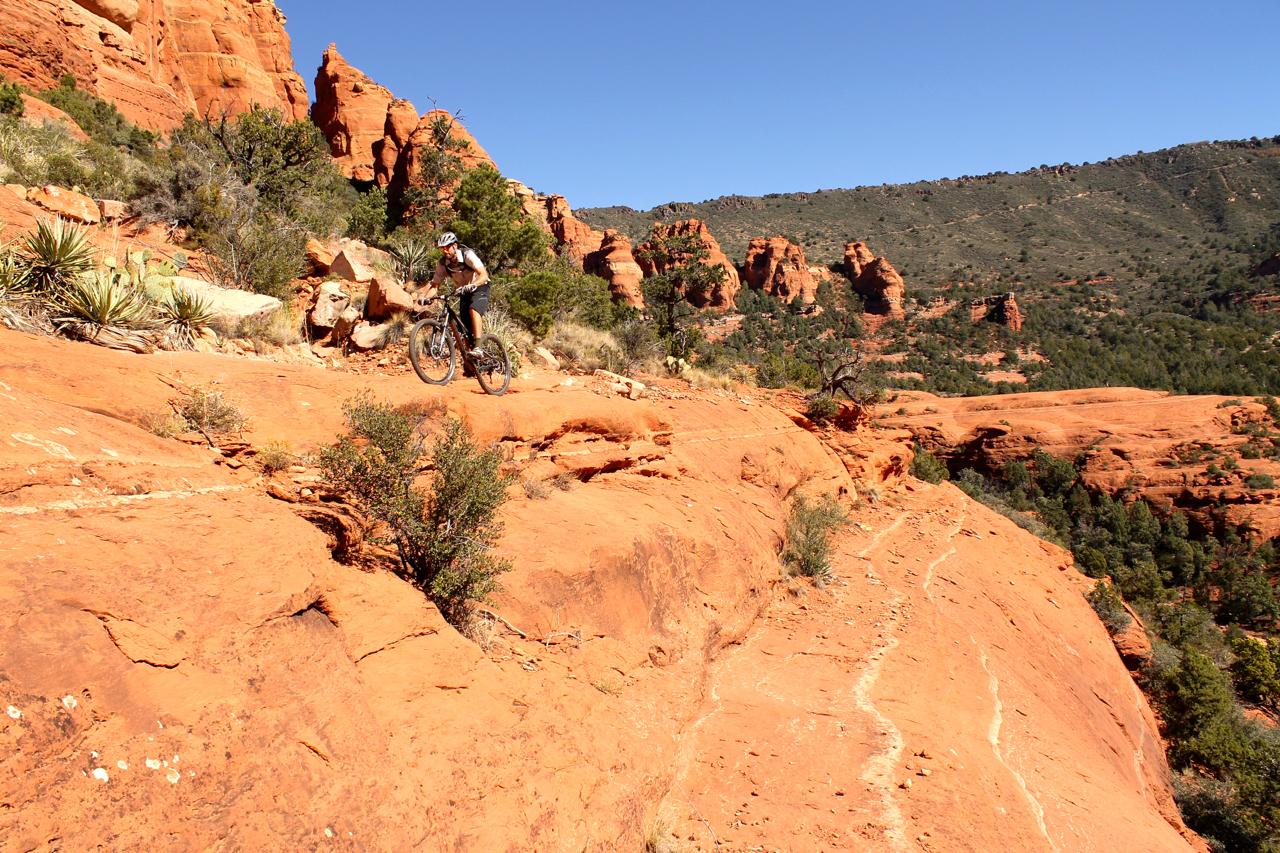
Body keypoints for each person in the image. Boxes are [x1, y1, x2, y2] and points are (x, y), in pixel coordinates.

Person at [428, 232, 490, 356]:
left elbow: (483, 275)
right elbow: (435, 285)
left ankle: (478, 348)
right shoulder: (442, 264)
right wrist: (425, 298)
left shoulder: (467, 255)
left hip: (480, 286)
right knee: (464, 327)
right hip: (463, 292)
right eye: (442, 249)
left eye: (446, 247)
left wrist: (473, 284)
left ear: (455, 246)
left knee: (474, 310)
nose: (444, 251)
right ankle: (470, 360)